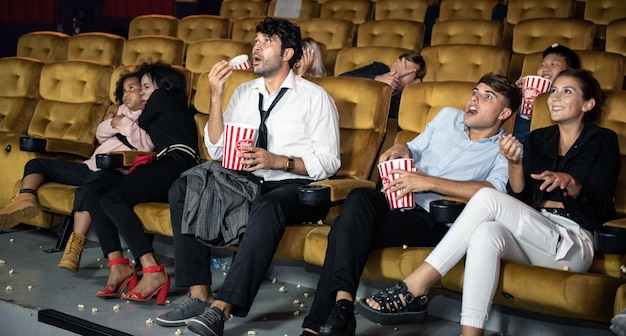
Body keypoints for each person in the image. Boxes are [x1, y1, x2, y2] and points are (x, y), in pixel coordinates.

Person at [359, 69, 620, 336]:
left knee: (486, 197)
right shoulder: (539, 139)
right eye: (553, 91)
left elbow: (600, 208)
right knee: (485, 233)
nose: (555, 97)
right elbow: (521, 199)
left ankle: (416, 286)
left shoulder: (603, 140)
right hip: (535, 231)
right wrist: (515, 163)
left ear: (587, 104)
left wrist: (574, 187)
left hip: (572, 241)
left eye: (567, 91)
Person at [156, 17, 341, 336]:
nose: (256, 47)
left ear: (287, 53)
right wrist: (216, 95)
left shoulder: (314, 97)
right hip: (245, 181)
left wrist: (278, 160)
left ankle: (222, 308)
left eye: (266, 41)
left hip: (293, 186)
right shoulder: (243, 92)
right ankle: (200, 294)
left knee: (267, 207)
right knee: (184, 186)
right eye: (255, 40)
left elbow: (329, 161)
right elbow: (215, 147)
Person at [300, 72, 522, 336]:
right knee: (359, 197)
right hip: (399, 195)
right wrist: (402, 148)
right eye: (475, 91)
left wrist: (428, 182)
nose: (475, 98)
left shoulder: (505, 149)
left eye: (488, 97)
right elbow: (415, 147)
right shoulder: (447, 117)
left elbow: (493, 190)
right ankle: (344, 306)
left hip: (432, 217)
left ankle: (321, 322)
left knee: (342, 228)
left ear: (504, 113)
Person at [0, 71, 154, 273]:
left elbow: (145, 144)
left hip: (112, 173)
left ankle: (75, 246)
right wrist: (113, 120)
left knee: (87, 191)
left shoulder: (149, 116)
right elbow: (100, 133)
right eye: (124, 90)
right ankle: (25, 199)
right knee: (36, 164)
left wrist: (122, 123)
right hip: (88, 167)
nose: (126, 94)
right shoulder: (120, 110)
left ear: (144, 92)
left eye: (132, 88)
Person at [82, 62, 200, 304]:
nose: (142, 93)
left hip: (177, 162)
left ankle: (152, 270)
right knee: (94, 190)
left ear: (164, 86)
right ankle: (118, 265)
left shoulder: (163, 98)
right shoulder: (165, 102)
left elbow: (133, 122)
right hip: (165, 163)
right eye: (142, 87)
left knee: (112, 198)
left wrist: (117, 115)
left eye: (146, 86)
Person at [512, 43, 580, 143]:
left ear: (569, 71)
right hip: (512, 142)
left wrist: (541, 106)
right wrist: (515, 94)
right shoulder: (526, 91)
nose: (545, 69)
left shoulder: (570, 99)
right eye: (542, 65)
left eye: (553, 64)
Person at [339, 52, 426, 118]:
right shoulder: (378, 68)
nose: (398, 71)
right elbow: (341, 79)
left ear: (416, 81)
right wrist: (376, 79)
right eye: (398, 66)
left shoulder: (406, 101)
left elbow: (379, 112)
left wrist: (388, 86)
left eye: (406, 71)